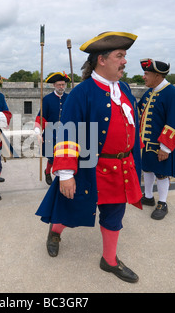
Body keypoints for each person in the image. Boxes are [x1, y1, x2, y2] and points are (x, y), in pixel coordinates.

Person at [35, 32, 143, 283]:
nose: (125, 61)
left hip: (121, 167)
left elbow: (132, 132)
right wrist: (65, 174)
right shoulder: (81, 92)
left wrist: (135, 166)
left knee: (114, 214)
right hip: (90, 167)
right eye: (120, 56)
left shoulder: (124, 88)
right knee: (72, 207)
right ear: (101, 60)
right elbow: (68, 135)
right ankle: (55, 231)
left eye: (124, 56)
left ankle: (109, 260)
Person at [138, 58, 175, 220]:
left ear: (157, 75)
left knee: (162, 174)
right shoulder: (149, 92)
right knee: (148, 169)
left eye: (146, 73)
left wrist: (165, 148)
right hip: (146, 144)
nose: (143, 77)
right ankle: (149, 196)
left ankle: (163, 202)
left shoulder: (172, 93)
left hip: (161, 145)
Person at [34, 72, 71, 185]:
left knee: (61, 157)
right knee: (52, 157)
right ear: (54, 85)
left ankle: (59, 178)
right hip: (51, 133)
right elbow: (41, 117)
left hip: (65, 133)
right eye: (59, 85)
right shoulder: (47, 99)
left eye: (63, 85)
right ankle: (48, 172)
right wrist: (38, 132)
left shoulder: (69, 98)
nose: (61, 87)